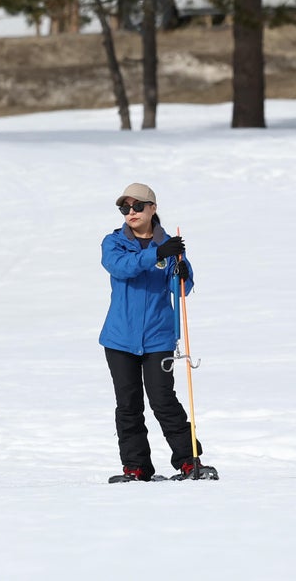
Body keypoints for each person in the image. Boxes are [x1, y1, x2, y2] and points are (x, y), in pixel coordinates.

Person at [100, 183, 217, 482]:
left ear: (152, 208)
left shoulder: (170, 245)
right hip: (120, 339)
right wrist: (156, 254)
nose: (131, 212)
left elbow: (182, 290)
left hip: (158, 337)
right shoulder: (113, 243)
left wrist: (182, 272)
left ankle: (189, 461)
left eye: (137, 206)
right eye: (125, 208)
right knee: (128, 404)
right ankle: (135, 466)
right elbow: (121, 268)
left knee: (163, 400)